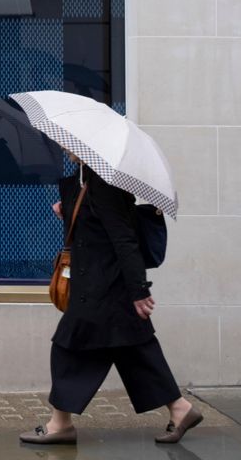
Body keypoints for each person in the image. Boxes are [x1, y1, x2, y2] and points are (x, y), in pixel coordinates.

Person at [20, 154, 202, 445]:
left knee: (68, 348)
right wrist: (68, 210)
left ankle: (61, 424)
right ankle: (180, 409)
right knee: (134, 351)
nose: (64, 145)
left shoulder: (104, 183)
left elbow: (124, 239)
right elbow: (95, 230)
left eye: (68, 140)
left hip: (103, 287)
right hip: (102, 286)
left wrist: (139, 290)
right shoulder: (86, 178)